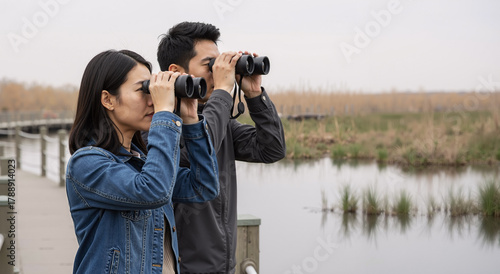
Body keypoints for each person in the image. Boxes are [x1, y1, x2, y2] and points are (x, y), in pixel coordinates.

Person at [66, 49, 219, 274]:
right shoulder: (86, 164)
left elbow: (203, 187)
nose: (152, 101)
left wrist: (190, 119)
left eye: (153, 90)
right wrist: (165, 113)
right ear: (108, 99)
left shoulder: (144, 162)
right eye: (144, 90)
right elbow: (153, 190)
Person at [152, 21, 286, 273]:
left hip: (223, 265)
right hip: (183, 268)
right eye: (209, 65)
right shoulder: (161, 127)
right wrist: (224, 90)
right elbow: (201, 147)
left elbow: (272, 149)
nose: (218, 73)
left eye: (220, 64)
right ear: (175, 70)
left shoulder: (218, 122)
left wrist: (255, 94)